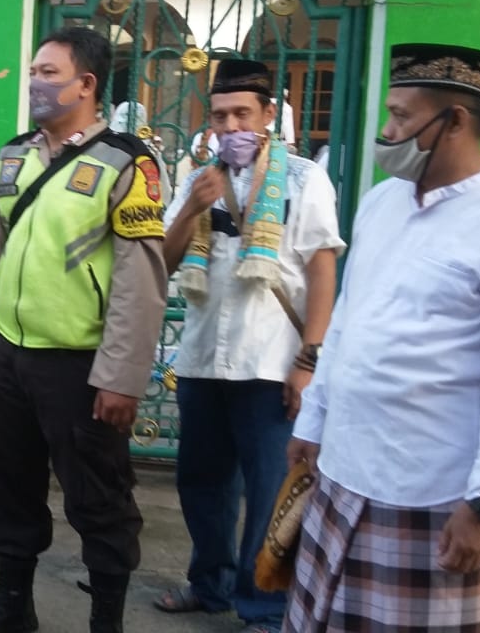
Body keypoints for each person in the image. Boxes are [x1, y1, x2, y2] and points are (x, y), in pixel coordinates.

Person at [285, 44, 480, 632]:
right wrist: (313, 421)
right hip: (343, 473)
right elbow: (346, 319)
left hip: (429, 494)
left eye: (400, 116)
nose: (387, 130)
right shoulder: (381, 203)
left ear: (455, 121)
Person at [0, 27, 167, 633]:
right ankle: (13, 605)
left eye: (49, 73)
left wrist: (121, 378)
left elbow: (139, 280)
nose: (35, 83)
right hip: (12, 359)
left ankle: (106, 621)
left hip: (80, 367)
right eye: (34, 71)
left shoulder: (127, 164)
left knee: (100, 500)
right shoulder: (14, 156)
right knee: (9, 486)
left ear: (86, 85)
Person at [154, 59, 345, 633]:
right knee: (200, 483)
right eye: (219, 116)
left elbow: (321, 270)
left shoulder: (303, 179)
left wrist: (309, 360)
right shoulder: (196, 180)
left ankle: (262, 602)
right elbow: (161, 264)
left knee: (268, 489)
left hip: (271, 362)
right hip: (202, 358)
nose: (230, 125)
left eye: (242, 113)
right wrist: (191, 206)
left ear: (268, 115)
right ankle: (207, 584)